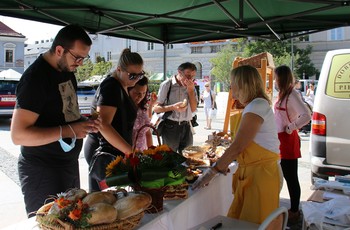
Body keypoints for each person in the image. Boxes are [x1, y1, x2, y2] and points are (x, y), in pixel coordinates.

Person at [10, 24, 100, 217]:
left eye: (84, 58)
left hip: (67, 164)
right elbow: (19, 135)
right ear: (59, 50)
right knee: (50, 223)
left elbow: (62, 114)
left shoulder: (67, 70)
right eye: (77, 58)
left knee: (73, 221)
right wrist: (69, 130)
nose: (80, 64)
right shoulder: (35, 79)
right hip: (42, 170)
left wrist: (84, 122)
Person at [192, 65, 281, 224]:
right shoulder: (254, 105)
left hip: (261, 177)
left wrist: (212, 172)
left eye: (233, 83)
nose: (231, 87)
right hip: (255, 174)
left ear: (243, 85)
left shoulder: (257, 106)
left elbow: (238, 146)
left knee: (254, 224)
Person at [84, 48, 144, 192]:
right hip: (105, 153)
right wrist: (130, 151)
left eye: (140, 75)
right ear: (119, 69)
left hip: (114, 151)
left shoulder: (123, 86)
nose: (136, 79)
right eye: (132, 75)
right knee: (105, 201)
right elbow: (103, 124)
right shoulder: (111, 86)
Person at [273, 65, 311, 223]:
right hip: (280, 139)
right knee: (284, 175)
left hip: (287, 140)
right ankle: (292, 208)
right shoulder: (283, 93)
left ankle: (295, 210)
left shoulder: (292, 94)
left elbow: (306, 116)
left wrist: (291, 127)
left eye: (275, 77)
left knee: (291, 177)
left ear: (280, 78)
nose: (274, 80)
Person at [153, 62, 198, 154]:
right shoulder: (167, 85)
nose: (190, 79)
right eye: (188, 75)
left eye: (193, 76)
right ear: (179, 72)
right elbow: (156, 108)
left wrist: (190, 91)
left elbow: (194, 109)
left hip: (187, 126)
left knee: (187, 157)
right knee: (170, 158)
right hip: (170, 127)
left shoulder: (191, 86)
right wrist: (172, 107)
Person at [129, 77, 156, 151]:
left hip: (143, 149)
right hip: (129, 150)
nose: (141, 96)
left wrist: (151, 151)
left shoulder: (142, 106)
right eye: (137, 93)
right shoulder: (123, 109)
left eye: (144, 93)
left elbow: (147, 129)